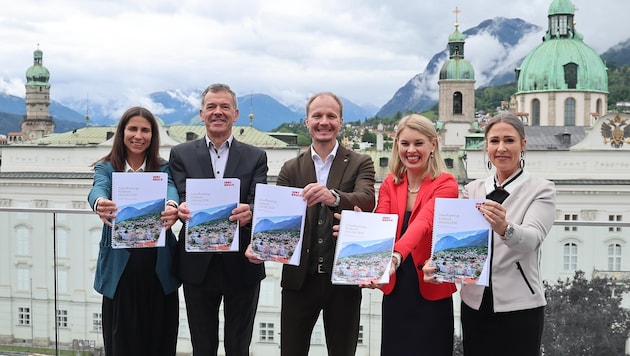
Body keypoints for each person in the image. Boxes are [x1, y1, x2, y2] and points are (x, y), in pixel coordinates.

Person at [247, 91, 375, 356]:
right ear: (307, 121)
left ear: (341, 122)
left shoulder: (361, 162)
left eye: (331, 116)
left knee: (343, 351)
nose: (324, 121)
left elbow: (367, 199)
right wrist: (261, 246)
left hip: (342, 281)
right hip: (298, 280)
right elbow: (278, 216)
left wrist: (334, 197)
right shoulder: (291, 168)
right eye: (317, 115)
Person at [424, 112, 556, 356]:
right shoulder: (473, 189)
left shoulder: (541, 189)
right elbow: (458, 243)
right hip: (474, 304)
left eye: (509, 140)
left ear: (523, 145)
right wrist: (439, 266)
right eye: (494, 141)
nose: (501, 148)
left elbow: (532, 239)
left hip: (521, 307)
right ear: (486, 146)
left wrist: (505, 228)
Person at [169, 83, 267, 356]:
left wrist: (250, 212)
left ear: (236, 114)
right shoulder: (181, 154)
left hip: (242, 263)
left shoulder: (256, 156)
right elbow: (179, 196)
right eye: (211, 107)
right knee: (202, 346)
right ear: (201, 114)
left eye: (224, 107)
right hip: (197, 264)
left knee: (239, 346)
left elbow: (259, 201)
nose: (218, 112)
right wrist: (183, 209)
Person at [87, 106, 180, 356]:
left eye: (145, 130)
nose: (139, 135)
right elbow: (98, 188)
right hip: (121, 273)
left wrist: (171, 205)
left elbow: (171, 189)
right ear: (122, 132)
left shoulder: (163, 168)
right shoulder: (106, 167)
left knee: (160, 342)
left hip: (158, 272)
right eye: (133, 129)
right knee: (122, 345)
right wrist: (99, 203)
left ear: (153, 136)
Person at [364, 114, 459, 355]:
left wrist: (395, 257)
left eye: (419, 143)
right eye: (405, 143)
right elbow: (381, 223)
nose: (411, 150)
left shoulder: (446, 183)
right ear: (397, 145)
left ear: (433, 145)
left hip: (430, 289)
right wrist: (357, 228)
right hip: (396, 291)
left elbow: (424, 223)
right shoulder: (389, 183)